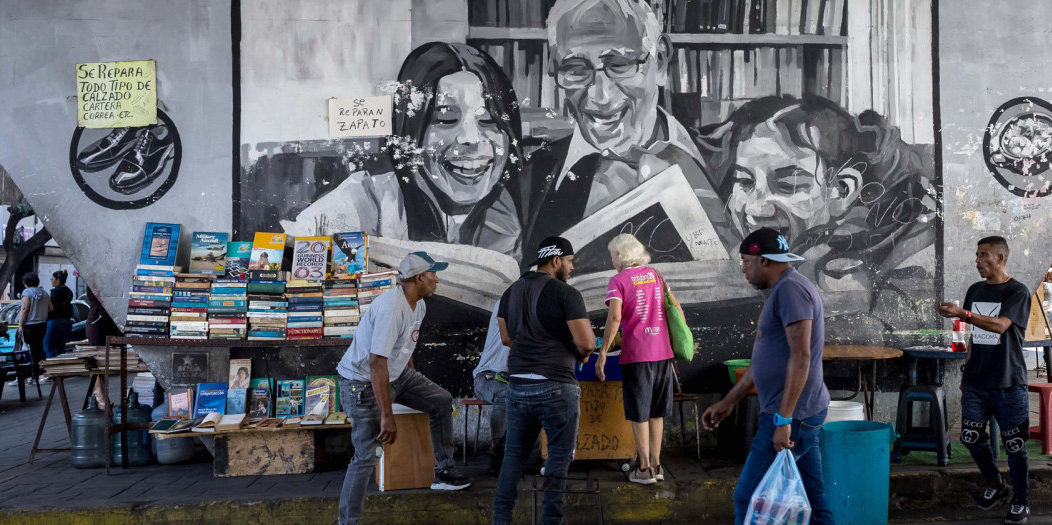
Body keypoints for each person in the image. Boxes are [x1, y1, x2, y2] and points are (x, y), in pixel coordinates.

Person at [523, 0, 738, 270]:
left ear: (659, 61)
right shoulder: (527, 180)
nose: (599, 96)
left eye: (619, 64)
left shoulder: (734, 167)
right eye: (575, 69)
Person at [282, 42, 525, 257]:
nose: (471, 139)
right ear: (411, 132)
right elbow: (291, 248)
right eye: (446, 119)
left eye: (489, 120)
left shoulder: (516, 213)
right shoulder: (367, 202)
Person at [701, 227, 833, 525]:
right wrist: (729, 402)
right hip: (799, 411)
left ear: (763, 260)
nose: (744, 270)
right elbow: (764, 359)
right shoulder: (785, 289)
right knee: (813, 501)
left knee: (749, 498)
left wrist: (783, 420)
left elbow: (801, 358)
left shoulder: (790, 289)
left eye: (745, 262)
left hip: (791, 414)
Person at [336, 252, 471, 525]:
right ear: (419, 278)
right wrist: (387, 415)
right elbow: (376, 363)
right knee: (368, 455)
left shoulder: (418, 304)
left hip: (396, 376)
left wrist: (413, 379)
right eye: (434, 274)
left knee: (441, 400)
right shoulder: (391, 308)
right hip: (361, 385)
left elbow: (405, 346)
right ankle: (347, 521)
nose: (438, 280)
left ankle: (444, 472)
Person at [493, 236, 597, 525]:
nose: (572, 268)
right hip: (556, 386)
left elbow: (506, 339)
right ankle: (551, 521)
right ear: (555, 261)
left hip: (517, 387)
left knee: (513, 458)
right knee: (557, 459)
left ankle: (500, 520)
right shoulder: (566, 293)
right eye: (570, 261)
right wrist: (581, 354)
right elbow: (587, 343)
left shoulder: (509, 293)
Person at [937, 236, 1031, 525]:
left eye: (983, 255)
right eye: (976, 255)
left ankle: (1021, 500)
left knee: (1014, 443)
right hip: (977, 380)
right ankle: (996, 484)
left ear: (1000, 258)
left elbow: (1000, 325)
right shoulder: (975, 289)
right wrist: (967, 368)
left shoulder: (1018, 291)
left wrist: (963, 313)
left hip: (1008, 380)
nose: (977, 260)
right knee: (971, 437)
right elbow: (976, 334)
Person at [595, 233, 682, 484]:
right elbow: (675, 309)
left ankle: (643, 469)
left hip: (637, 355)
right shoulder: (656, 275)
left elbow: (614, 319)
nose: (612, 259)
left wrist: (603, 353)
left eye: (613, 254)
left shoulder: (618, 280)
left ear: (621, 255)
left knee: (639, 412)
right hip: (663, 353)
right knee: (656, 412)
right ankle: (657, 465)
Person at [472, 299, 511, 474]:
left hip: (513, 378)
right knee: (506, 394)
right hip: (487, 376)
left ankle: (532, 454)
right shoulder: (508, 301)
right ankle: (498, 451)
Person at [16, 273, 50, 384]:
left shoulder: (27, 292)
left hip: (30, 325)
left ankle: (26, 376)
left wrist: (20, 325)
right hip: (42, 325)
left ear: (26, 283)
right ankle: (38, 375)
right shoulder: (44, 293)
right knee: (39, 350)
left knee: (26, 351)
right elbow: (51, 308)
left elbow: (25, 309)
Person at [45, 270, 74, 358]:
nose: (51, 281)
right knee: (61, 347)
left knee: (48, 346)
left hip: (55, 321)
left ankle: (52, 367)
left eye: (52, 279)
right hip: (67, 321)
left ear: (58, 280)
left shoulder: (56, 292)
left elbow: (52, 308)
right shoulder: (69, 291)